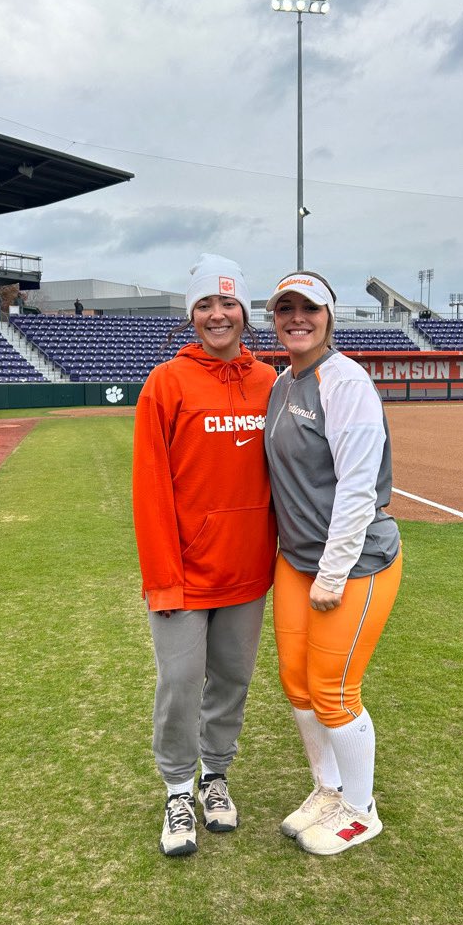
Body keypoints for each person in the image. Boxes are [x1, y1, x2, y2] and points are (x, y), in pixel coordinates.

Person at [132, 254, 277, 857]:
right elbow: (150, 488)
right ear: (191, 313)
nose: (217, 314)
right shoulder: (166, 383)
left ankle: (215, 777)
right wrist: (163, 578)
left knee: (233, 681)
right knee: (181, 682)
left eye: (227, 303)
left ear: (244, 310)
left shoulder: (274, 382)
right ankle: (177, 788)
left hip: (248, 571)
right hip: (184, 574)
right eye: (205, 305)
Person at [264, 271, 402, 855]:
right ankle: (329, 789)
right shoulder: (283, 382)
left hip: (354, 562)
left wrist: (332, 572)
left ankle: (361, 810)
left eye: (309, 308)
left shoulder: (345, 382)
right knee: (296, 683)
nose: (297, 318)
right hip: (296, 560)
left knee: (334, 691)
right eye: (285, 308)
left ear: (330, 316)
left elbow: (357, 489)